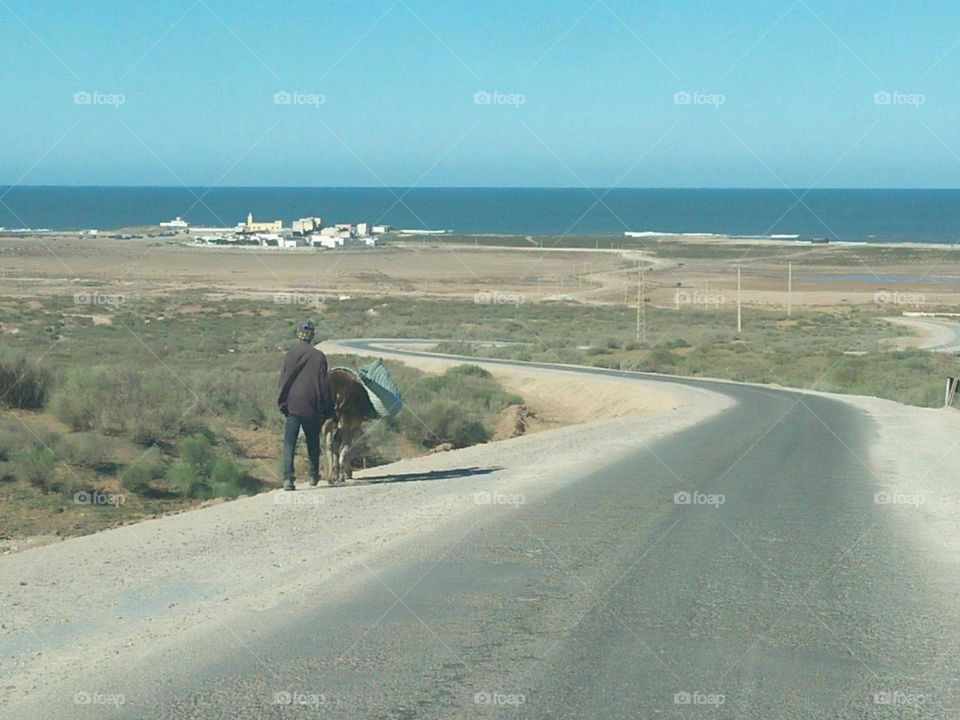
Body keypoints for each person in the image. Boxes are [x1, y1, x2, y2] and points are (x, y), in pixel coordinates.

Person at [277, 320, 334, 491]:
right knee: (313, 440)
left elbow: (283, 380)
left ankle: (288, 479)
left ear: (297, 334)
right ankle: (313, 475)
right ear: (312, 336)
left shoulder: (290, 355)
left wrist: (283, 402)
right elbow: (324, 386)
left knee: (289, 443)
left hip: (293, 404)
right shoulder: (318, 356)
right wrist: (327, 409)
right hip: (312, 405)